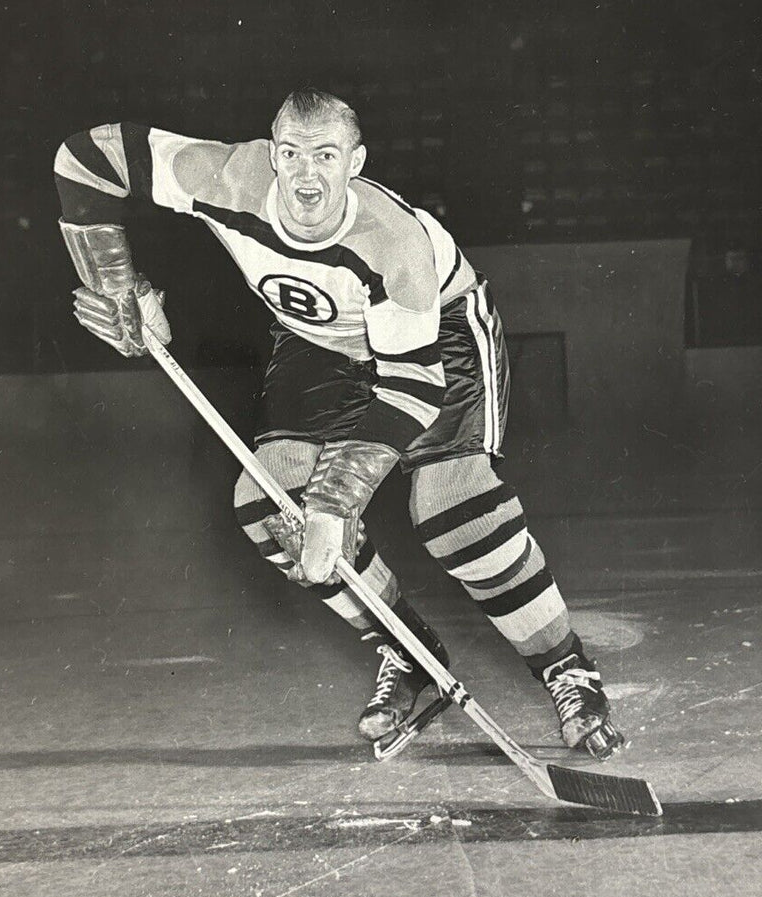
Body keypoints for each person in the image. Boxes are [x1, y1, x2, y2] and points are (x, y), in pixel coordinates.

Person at [54, 89, 624, 759]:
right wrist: (121, 286)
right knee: (270, 509)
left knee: (453, 511)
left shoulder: (393, 242)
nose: (304, 176)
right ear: (272, 153)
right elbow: (88, 158)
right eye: (291, 154)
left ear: (355, 162)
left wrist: (336, 500)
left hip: (436, 339)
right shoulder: (224, 176)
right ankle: (408, 653)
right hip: (318, 339)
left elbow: (412, 387)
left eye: (325, 156)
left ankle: (565, 666)